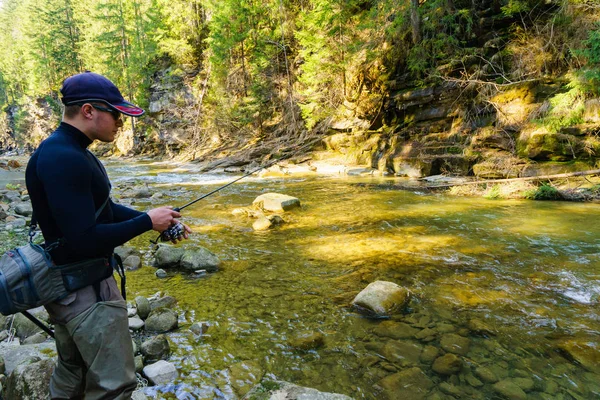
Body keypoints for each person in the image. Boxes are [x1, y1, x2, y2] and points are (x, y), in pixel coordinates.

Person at [25, 71, 192, 399]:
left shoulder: (64, 151)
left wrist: (157, 221)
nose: (120, 121)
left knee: (74, 372)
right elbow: (83, 239)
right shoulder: (65, 158)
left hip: (67, 289)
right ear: (88, 111)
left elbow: (104, 210)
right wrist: (146, 221)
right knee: (114, 386)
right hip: (86, 295)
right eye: (115, 113)